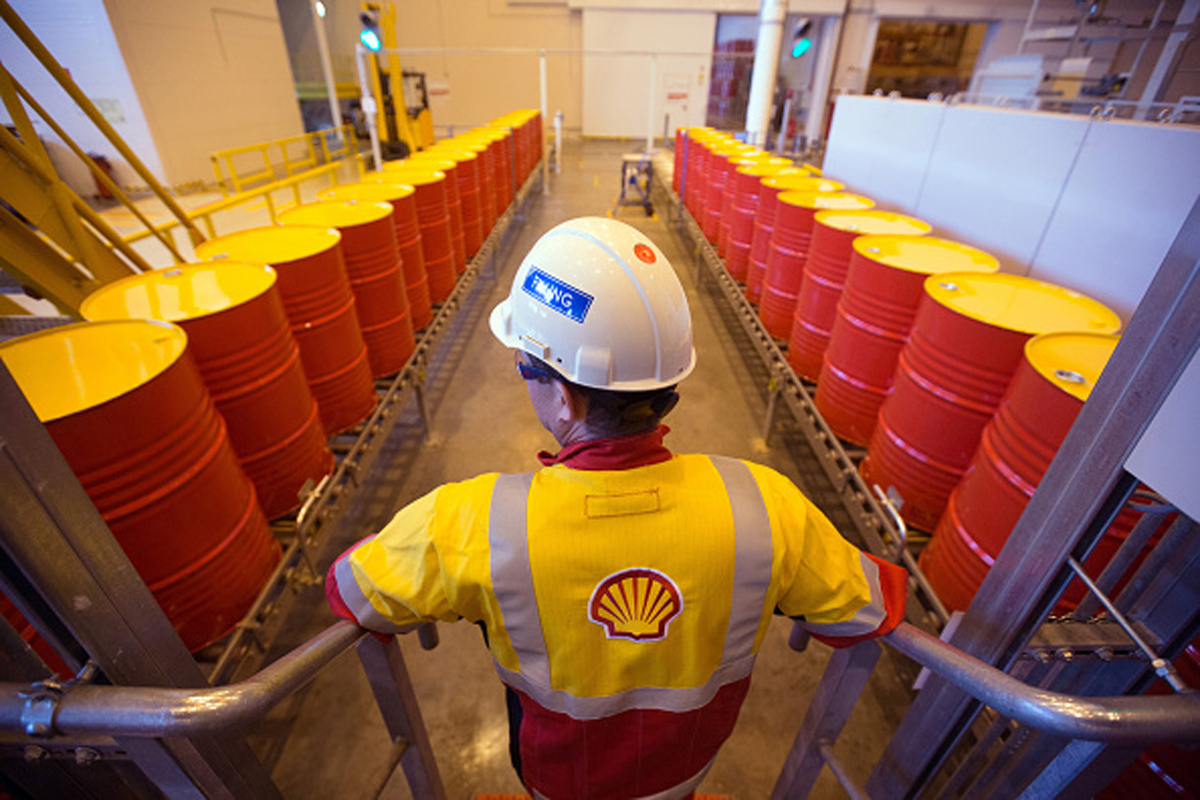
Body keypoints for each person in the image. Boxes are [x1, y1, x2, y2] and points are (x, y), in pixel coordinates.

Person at [326, 217, 907, 799]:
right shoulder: (765, 506)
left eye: (524, 366)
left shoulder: (473, 522)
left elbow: (350, 587)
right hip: (685, 775)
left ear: (563, 396)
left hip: (557, 782)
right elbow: (870, 606)